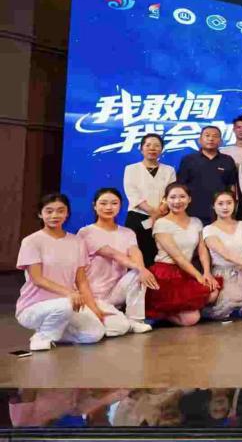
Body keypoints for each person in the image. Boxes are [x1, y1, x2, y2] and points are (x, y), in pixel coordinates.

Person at [16, 194, 128, 352]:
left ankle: (53, 330)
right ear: (40, 214)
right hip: (35, 306)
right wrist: (69, 293)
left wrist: (94, 309)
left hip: (69, 304)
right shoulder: (31, 241)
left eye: (60, 211)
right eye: (49, 211)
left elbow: (81, 281)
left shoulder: (77, 242)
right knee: (65, 305)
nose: (55, 215)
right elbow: (37, 279)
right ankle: (43, 336)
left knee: (94, 334)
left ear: (67, 213)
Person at [79, 188, 155, 333]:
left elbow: (135, 252)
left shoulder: (127, 232)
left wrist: (142, 269)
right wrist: (140, 268)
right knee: (118, 328)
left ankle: (135, 320)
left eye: (114, 203)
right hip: (93, 295)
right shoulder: (86, 232)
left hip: (116, 292)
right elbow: (113, 254)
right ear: (95, 206)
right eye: (103, 203)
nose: (109, 207)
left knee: (138, 273)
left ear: (120, 206)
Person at [148, 183, 220, 326]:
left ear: (189, 199)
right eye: (172, 197)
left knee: (213, 292)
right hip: (165, 273)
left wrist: (207, 273)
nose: (177, 201)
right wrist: (199, 276)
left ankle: (179, 308)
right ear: (165, 200)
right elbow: (178, 258)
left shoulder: (196, 222)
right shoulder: (161, 223)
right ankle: (158, 312)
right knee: (191, 319)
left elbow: (202, 250)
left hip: (187, 272)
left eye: (182, 196)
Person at [201, 191, 242, 320]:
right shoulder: (208, 229)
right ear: (214, 206)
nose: (225, 207)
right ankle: (240, 306)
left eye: (229, 203)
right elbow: (227, 255)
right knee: (229, 301)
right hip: (224, 271)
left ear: (234, 205)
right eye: (220, 204)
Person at [123, 133, 176, 265]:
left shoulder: (169, 170)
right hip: (137, 217)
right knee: (137, 256)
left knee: (160, 255)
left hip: (163, 217)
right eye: (148, 145)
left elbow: (171, 192)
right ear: (141, 149)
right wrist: (152, 212)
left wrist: (160, 210)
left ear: (161, 149)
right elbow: (132, 193)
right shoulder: (131, 169)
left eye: (157, 145)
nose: (152, 148)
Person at [176, 126, 236, 225]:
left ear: (221, 141)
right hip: (193, 212)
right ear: (199, 140)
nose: (211, 139)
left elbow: (232, 187)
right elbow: (181, 187)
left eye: (215, 136)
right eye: (207, 135)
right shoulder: (188, 160)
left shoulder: (227, 160)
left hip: (221, 212)